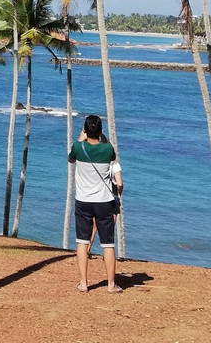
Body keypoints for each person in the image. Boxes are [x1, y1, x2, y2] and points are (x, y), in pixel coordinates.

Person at [68, 114, 124, 293]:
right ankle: (110, 285)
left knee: (82, 242)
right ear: (100, 131)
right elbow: (111, 152)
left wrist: (81, 135)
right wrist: (103, 136)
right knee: (108, 244)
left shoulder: (78, 147)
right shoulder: (107, 150)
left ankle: (84, 283)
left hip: (83, 201)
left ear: (85, 130)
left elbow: (71, 158)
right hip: (103, 202)